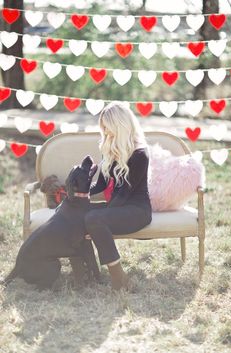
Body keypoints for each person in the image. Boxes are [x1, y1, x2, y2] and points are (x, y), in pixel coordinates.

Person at [83, 101, 152, 291]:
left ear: (120, 125)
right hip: (118, 206)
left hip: (137, 210)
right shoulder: (109, 148)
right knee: (83, 213)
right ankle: (86, 271)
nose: (104, 131)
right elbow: (102, 184)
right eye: (103, 126)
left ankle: (119, 279)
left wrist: (97, 217)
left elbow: (124, 194)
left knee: (93, 218)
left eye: (107, 126)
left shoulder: (140, 154)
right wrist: (82, 194)